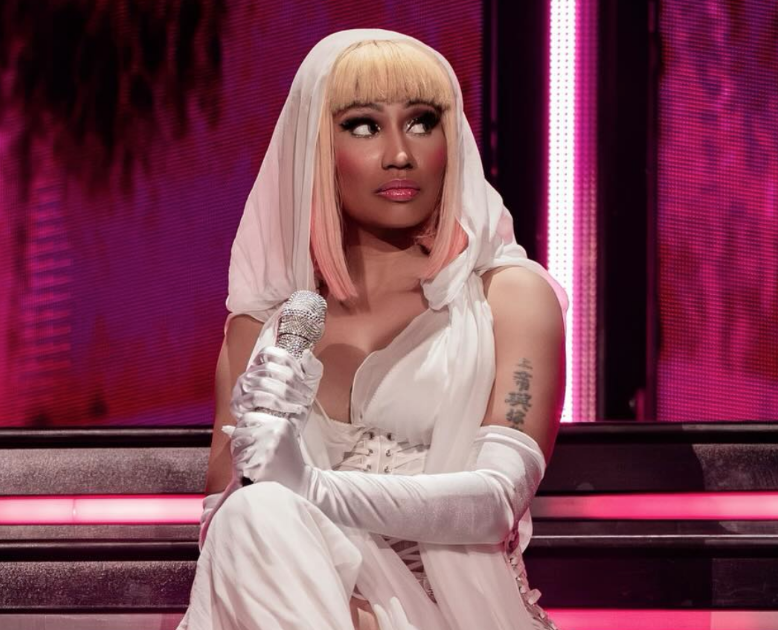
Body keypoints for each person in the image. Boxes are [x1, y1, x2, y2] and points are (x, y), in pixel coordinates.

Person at [177, 29, 568, 630]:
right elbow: (224, 533)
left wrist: (311, 484)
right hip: (305, 603)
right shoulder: (265, 331)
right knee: (252, 517)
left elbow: (496, 502)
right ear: (317, 145)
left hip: (453, 613)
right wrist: (259, 470)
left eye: (422, 122)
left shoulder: (510, 299)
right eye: (363, 126)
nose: (399, 154)